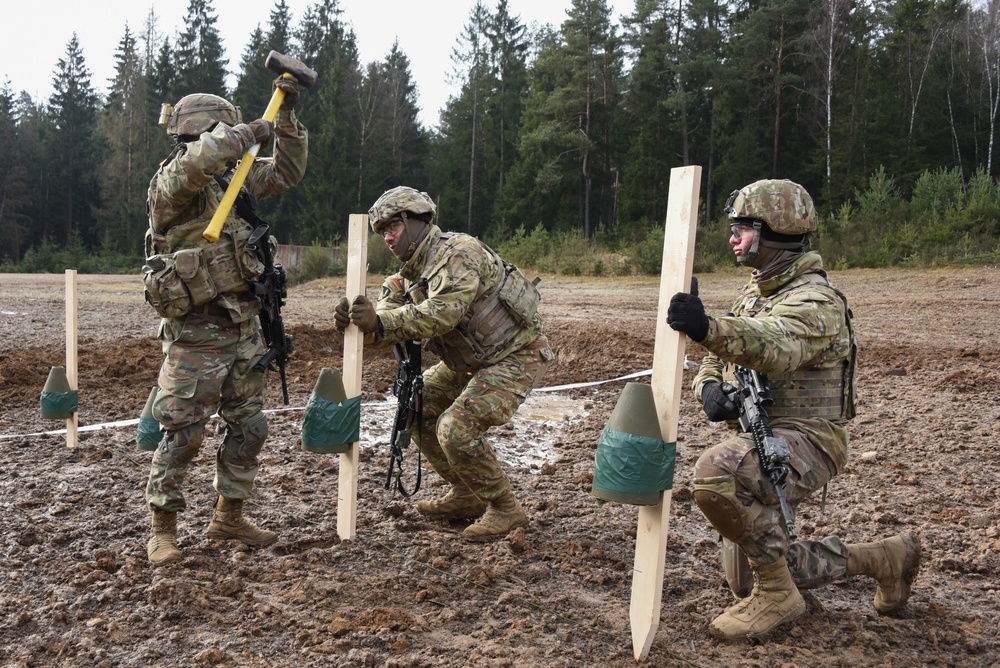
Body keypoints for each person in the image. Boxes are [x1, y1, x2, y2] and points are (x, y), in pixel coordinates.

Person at [667, 179, 920, 640]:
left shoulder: (817, 299)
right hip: (767, 432)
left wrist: (706, 326)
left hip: (812, 436)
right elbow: (718, 358)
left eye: (742, 229)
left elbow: (775, 346)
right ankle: (885, 558)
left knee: (717, 472)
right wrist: (708, 390)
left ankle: (779, 596)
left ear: (775, 232)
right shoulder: (756, 292)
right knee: (745, 578)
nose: (732, 238)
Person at [142, 78, 307, 566]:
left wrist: (285, 122)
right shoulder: (174, 183)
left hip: (242, 325)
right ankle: (163, 530)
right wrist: (246, 132)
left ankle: (228, 517)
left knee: (250, 427)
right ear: (204, 132)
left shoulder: (231, 185)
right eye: (227, 132)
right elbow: (200, 161)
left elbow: (288, 171)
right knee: (183, 432)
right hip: (196, 330)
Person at [334, 186, 555, 541]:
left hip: (516, 353)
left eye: (393, 227)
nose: (388, 238)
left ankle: (505, 508)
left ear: (416, 221)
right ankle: (467, 493)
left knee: (456, 428)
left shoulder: (459, 252)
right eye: (382, 232)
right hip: (468, 361)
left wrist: (381, 323)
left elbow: (442, 315)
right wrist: (361, 324)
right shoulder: (402, 279)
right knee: (416, 410)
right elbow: (387, 325)